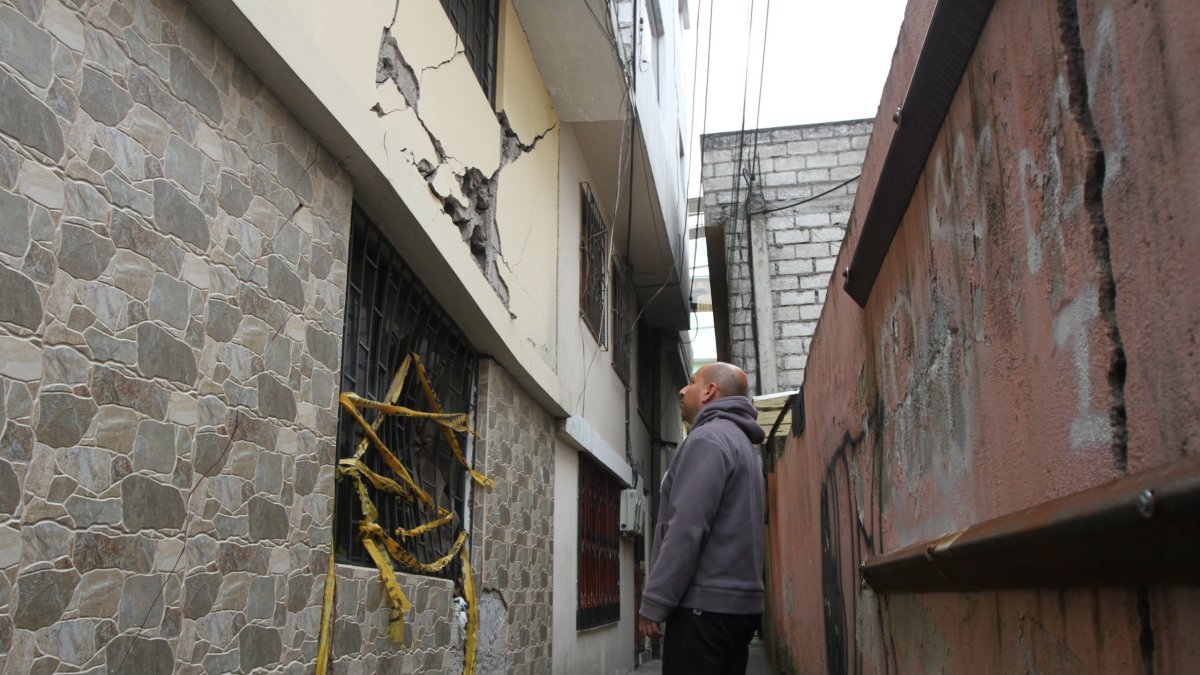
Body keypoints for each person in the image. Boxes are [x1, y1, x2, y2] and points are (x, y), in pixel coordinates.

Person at [638, 362, 766, 675]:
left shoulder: (708, 440)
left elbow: (686, 529)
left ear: (709, 391)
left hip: (704, 610)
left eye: (692, 382)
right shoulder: (741, 443)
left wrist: (655, 600)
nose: (682, 390)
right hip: (738, 610)